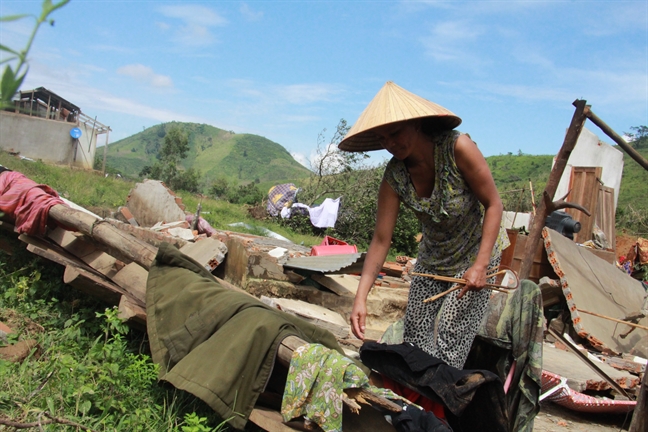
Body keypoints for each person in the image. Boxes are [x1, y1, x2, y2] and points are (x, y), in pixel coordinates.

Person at [341, 81, 509, 369]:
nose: (391, 144)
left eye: (396, 132)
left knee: (449, 344)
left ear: (416, 123)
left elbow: (494, 204)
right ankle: (419, 406)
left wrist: (480, 266)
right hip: (432, 260)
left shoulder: (457, 148)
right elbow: (382, 240)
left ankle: (439, 409)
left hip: (475, 255)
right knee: (416, 340)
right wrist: (360, 297)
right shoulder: (395, 176)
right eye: (383, 138)